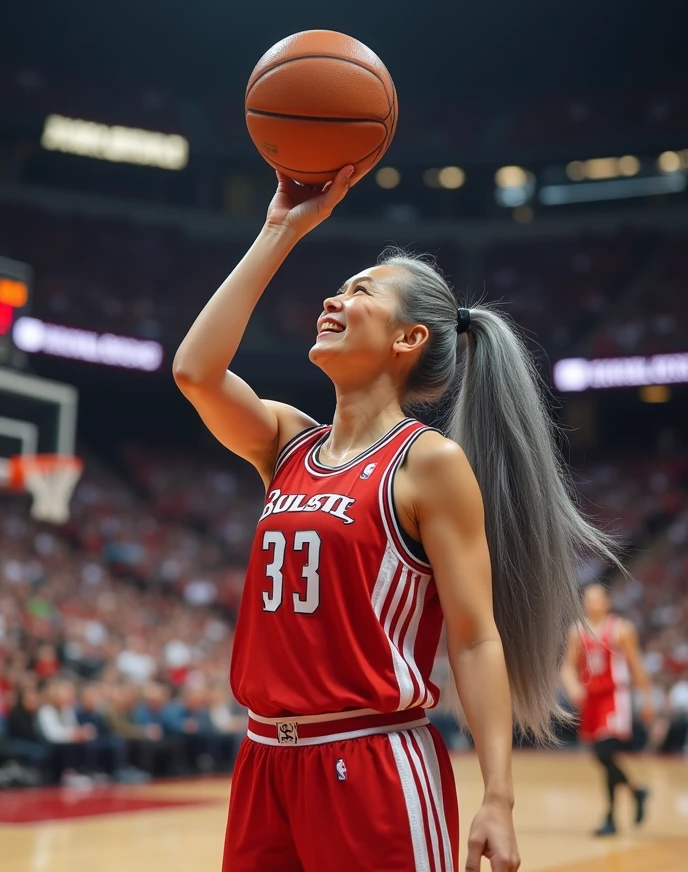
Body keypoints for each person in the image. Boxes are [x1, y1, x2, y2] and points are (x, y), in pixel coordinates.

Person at [173, 166, 616, 872]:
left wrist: (497, 797)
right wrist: (279, 229)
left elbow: (474, 641)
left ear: (408, 339)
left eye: (360, 291)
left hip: (372, 760)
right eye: (341, 285)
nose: (334, 296)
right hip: (264, 760)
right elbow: (195, 372)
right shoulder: (287, 439)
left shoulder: (428, 463)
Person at [561, 584, 653, 836]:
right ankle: (634, 793)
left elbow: (636, 666)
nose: (591, 604)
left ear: (606, 602)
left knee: (604, 752)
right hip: (590, 699)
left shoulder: (621, 629)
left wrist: (647, 700)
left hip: (614, 697)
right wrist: (573, 687)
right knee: (602, 756)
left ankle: (613, 814)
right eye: (587, 600)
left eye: (596, 599)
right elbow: (568, 667)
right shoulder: (577, 630)